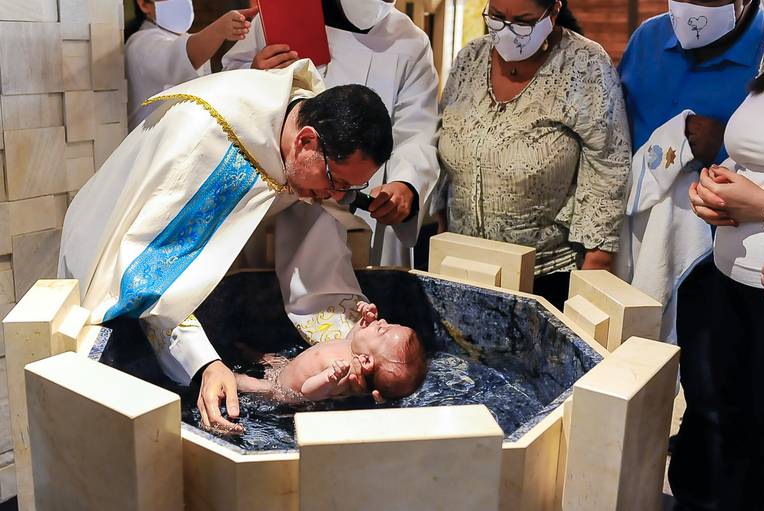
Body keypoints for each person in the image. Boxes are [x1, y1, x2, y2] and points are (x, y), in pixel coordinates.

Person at [58, 60, 394, 432]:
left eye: (348, 188)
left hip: (180, 256)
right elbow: (154, 272)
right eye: (336, 182)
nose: (334, 196)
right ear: (306, 141)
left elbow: (313, 222)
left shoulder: (303, 121)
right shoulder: (214, 145)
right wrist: (205, 364)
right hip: (114, 250)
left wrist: (349, 337)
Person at [619, 1, 764, 509]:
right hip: (720, 271)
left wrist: (756, 199)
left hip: (752, 270)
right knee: (711, 412)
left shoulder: (760, 37)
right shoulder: (646, 42)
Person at [434, 0, 630, 309]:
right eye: (497, 17)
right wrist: (440, 223)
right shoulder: (470, 58)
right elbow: (443, 142)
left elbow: (609, 162)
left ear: (552, 13)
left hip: (547, 275)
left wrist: (598, 261)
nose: (508, 30)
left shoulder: (585, 63)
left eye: (523, 21)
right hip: (463, 265)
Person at [222, 0, 439, 268]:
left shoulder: (409, 42)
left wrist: (406, 183)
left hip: (363, 202)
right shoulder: (286, 11)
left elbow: (418, 130)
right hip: (280, 197)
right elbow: (225, 91)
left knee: (354, 299)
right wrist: (254, 75)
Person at [686, 55, 764, 510]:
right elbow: (752, 149)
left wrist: (761, 206)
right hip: (732, 283)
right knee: (729, 441)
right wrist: (719, 182)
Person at [235, 301, 427, 404]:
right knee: (272, 360)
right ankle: (254, 356)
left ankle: (230, 378)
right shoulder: (356, 352)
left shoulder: (345, 375)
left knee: (253, 385)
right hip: (288, 367)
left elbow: (308, 391)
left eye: (382, 329)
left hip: (283, 390)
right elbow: (350, 340)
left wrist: (330, 378)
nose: (383, 321)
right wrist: (364, 322)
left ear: (366, 360)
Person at [125, 0, 259, 130]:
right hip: (151, 146)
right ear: (144, 4)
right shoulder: (140, 43)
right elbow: (181, 56)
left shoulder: (181, 39)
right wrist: (219, 30)